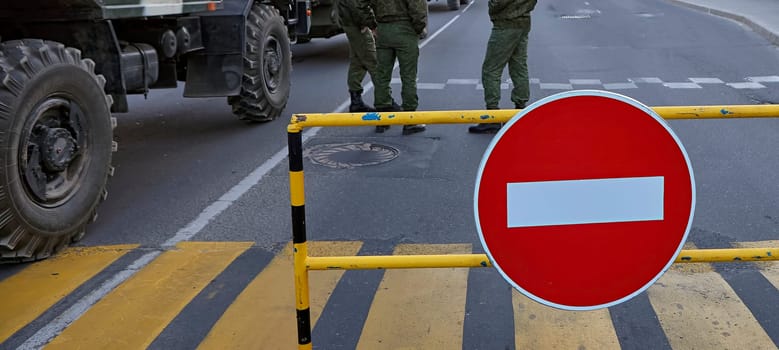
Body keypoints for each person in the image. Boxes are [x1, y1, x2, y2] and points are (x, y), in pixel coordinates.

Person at [468, 0, 537, 134]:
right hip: (524, 21)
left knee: (491, 70)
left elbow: (498, 2)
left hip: (506, 23)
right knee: (519, 66)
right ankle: (520, 109)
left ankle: (492, 115)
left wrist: (492, 8)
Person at [371, 0, 428, 135]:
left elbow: (360, 4)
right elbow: (417, 7)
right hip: (405, 29)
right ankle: (409, 120)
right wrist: (419, 28)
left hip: (383, 29)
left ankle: (382, 118)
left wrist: (372, 24)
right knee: (408, 76)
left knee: (382, 75)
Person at [336, 0, 380, 112]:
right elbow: (357, 5)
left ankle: (356, 101)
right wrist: (371, 24)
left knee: (357, 62)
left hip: (350, 21)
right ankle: (385, 102)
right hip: (357, 23)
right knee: (373, 62)